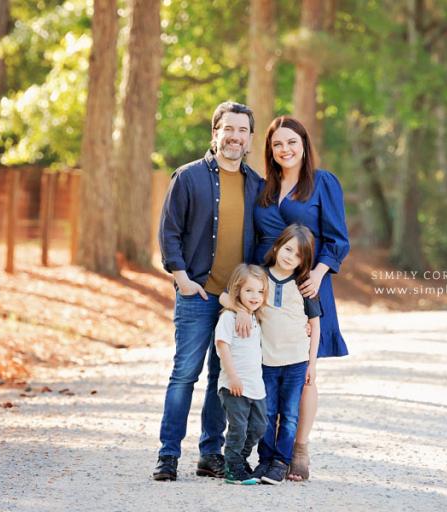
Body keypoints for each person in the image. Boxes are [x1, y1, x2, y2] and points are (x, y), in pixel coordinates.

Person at [153, 101, 264, 481]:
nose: (235, 136)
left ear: (250, 139)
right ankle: (168, 455)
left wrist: (249, 302)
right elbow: (169, 232)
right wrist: (182, 278)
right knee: (185, 374)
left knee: (225, 378)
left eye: (242, 131)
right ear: (215, 132)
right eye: (228, 129)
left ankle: (210, 455)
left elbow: (264, 243)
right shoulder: (188, 177)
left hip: (235, 306)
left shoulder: (257, 186)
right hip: (197, 296)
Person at [235, 116, 350, 481]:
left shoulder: (322, 184)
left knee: (303, 374)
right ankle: (269, 452)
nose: (285, 149)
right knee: (266, 368)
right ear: (270, 149)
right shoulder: (262, 188)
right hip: (265, 291)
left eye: (292, 142)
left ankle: (299, 448)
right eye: (277, 144)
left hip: (306, 287)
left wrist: (317, 274)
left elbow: (337, 239)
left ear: (304, 145)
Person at [251, 224, 321, 485]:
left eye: (298, 254)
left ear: (304, 261)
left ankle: (281, 461)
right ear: (277, 246)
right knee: (266, 413)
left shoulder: (304, 285)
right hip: (266, 361)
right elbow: (238, 300)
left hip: (296, 362)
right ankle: (265, 460)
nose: (291, 256)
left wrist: (311, 365)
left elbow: (315, 325)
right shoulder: (259, 278)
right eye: (288, 249)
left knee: (289, 415)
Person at [214, 264, 269, 485]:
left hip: (256, 386)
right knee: (238, 427)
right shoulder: (229, 317)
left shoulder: (256, 318)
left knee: (259, 426)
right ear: (237, 291)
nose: (255, 296)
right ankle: (232, 467)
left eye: (260, 291)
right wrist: (233, 377)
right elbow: (222, 346)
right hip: (234, 385)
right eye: (249, 291)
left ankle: (239, 460)